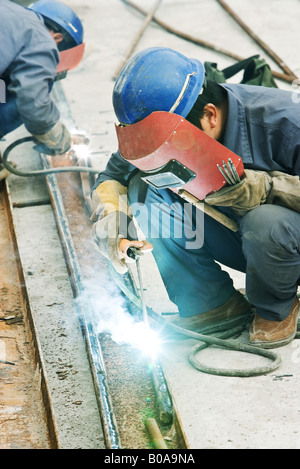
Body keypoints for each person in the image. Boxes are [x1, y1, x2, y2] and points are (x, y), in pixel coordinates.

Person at [91, 47, 300, 349]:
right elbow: (113, 177)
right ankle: (211, 305)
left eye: (169, 145)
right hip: (251, 242)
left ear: (210, 116)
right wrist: (113, 223)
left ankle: (277, 308)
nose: (164, 152)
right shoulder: (171, 125)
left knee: (265, 220)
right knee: (145, 188)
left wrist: (267, 188)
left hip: (281, 239)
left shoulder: (284, 122)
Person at [0, 0, 84, 180]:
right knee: (17, 96)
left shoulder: (10, 12)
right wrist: (52, 134)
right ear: (58, 38)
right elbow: (32, 99)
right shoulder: (41, 38)